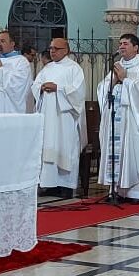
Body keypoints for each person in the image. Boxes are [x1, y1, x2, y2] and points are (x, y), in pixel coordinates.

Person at [97, 34, 139, 204]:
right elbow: (103, 88)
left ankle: (136, 192)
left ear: (136, 47)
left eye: (126, 43)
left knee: (133, 152)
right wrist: (112, 82)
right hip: (116, 116)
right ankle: (116, 190)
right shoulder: (117, 66)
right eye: (120, 44)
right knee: (116, 152)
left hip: (133, 120)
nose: (122, 46)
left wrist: (125, 79)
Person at [32, 38, 87, 198]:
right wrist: (41, 88)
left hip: (65, 118)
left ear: (66, 50)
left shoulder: (74, 69)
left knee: (65, 148)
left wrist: (58, 88)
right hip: (48, 115)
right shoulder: (47, 68)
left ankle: (66, 186)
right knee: (47, 146)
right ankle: (48, 184)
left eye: (56, 48)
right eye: (50, 48)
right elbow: (35, 85)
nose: (52, 51)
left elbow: (78, 92)